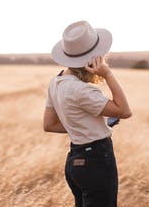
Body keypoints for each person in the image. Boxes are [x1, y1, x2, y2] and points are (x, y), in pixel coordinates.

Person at [43, 20, 132, 207]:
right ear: (94, 59)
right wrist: (107, 74)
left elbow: (49, 125)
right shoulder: (81, 90)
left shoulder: (56, 81)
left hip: (75, 161)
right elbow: (124, 111)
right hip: (96, 161)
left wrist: (84, 127)